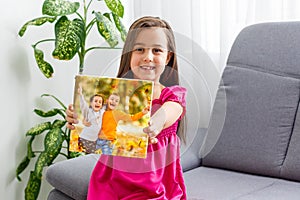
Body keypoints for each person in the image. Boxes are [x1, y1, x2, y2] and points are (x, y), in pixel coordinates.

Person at [66, 16, 187, 199]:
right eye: (139, 49)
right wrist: (77, 118)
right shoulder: (115, 94)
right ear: (129, 54)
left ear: (167, 57)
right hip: (112, 180)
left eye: (156, 50)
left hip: (154, 185)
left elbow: (173, 109)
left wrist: (157, 122)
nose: (147, 57)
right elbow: (92, 116)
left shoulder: (171, 96)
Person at [77, 85, 105, 154]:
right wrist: (80, 94)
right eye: (95, 101)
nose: (97, 103)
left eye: (100, 102)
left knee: (90, 156)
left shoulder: (102, 113)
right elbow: (83, 105)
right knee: (82, 155)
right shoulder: (88, 111)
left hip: (94, 141)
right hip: (84, 139)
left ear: (101, 105)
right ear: (91, 103)